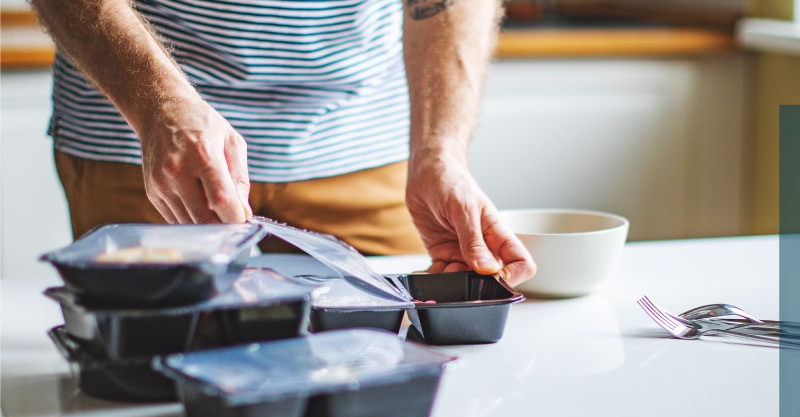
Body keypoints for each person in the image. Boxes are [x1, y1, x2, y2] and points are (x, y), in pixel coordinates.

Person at [30, 0, 536, 286]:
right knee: (146, 379)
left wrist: (438, 150)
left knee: (391, 354)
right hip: (141, 142)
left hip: (362, 146)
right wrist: (159, 106)